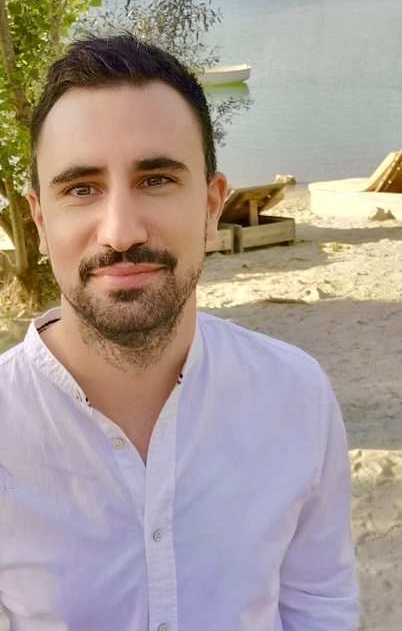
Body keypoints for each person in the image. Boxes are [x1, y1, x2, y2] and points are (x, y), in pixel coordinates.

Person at [0, 34, 359, 630]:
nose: (120, 231)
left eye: (157, 179)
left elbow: (319, 606)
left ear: (212, 206)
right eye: (81, 189)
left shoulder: (296, 395)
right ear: (40, 221)